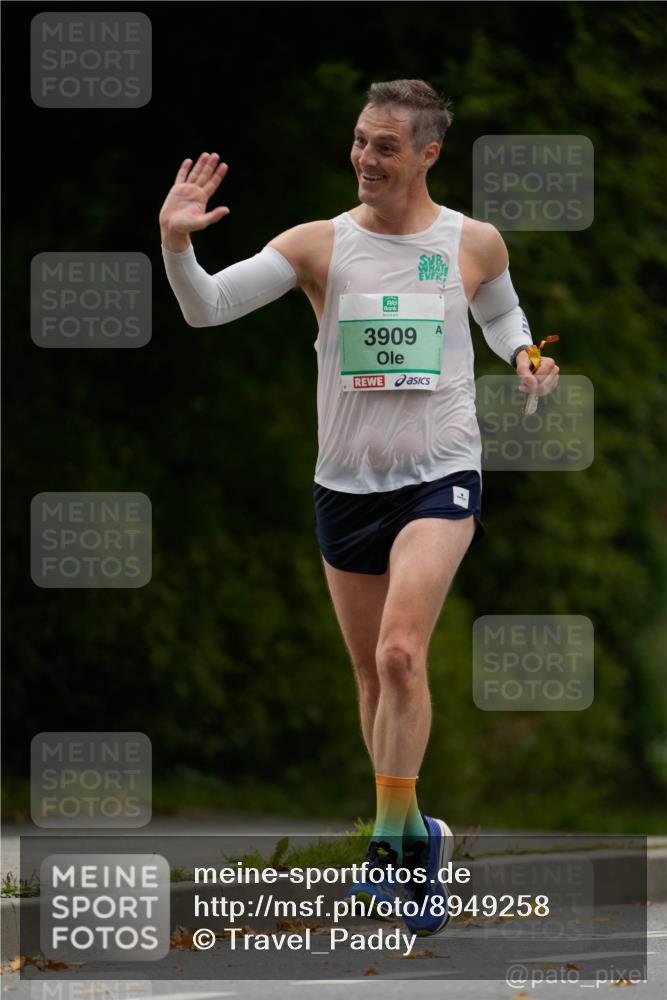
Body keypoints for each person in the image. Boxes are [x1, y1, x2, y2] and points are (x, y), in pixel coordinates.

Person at [159, 79, 559, 936]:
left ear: (427, 155)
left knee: (401, 657)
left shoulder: (472, 242)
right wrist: (174, 245)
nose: (365, 159)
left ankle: (383, 849)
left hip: (440, 475)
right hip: (345, 486)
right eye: (358, 141)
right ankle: (421, 838)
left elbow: (500, 314)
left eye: (384, 146)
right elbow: (206, 309)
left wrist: (524, 356)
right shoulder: (318, 245)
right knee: (369, 678)